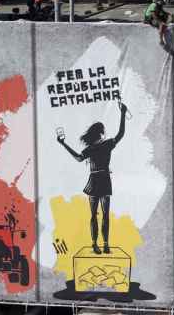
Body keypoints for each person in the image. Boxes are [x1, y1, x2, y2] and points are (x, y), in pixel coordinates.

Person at [57, 102, 128, 254]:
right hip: (99, 180)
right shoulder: (104, 145)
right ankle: (100, 244)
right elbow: (120, 134)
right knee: (100, 215)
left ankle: (102, 244)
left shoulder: (97, 147)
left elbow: (78, 158)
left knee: (97, 215)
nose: (105, 134)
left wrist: (63, 144)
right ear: (100, 133)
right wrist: (122, 113)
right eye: (104, 132)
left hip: (98, 180)